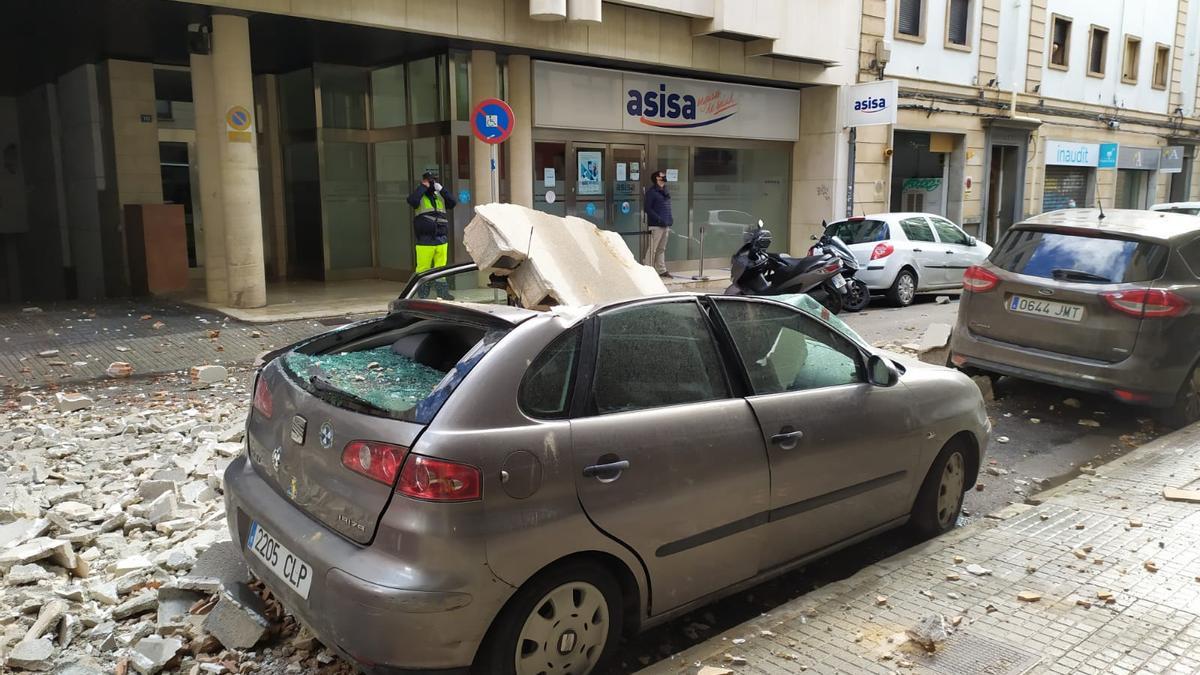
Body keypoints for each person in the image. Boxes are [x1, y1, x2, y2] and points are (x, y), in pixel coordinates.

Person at [407, 172, 457, 299]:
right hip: (425, 239)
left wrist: (442, 189)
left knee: (441, 268)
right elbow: (412, 200)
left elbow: (452, 203)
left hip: (441, 238)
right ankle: (423, 294)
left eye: (434, 181)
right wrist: (423, 187)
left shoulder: (439, 195)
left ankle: (442, 293)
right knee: (423, 268)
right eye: (430, 181)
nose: (432, 183)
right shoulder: (420, 196)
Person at [643, 170, 673, 277]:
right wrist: (659, 219)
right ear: (657, 178)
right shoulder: (651, 192)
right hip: (656, 225)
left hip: (666, 224)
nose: (664, 177)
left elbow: (667, 207)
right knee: (653, 248)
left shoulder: (665, 191)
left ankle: (661, 270)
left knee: (661, 249)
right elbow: (648, 208)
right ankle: (648, 269)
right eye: (662, 176)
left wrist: (670, 219)